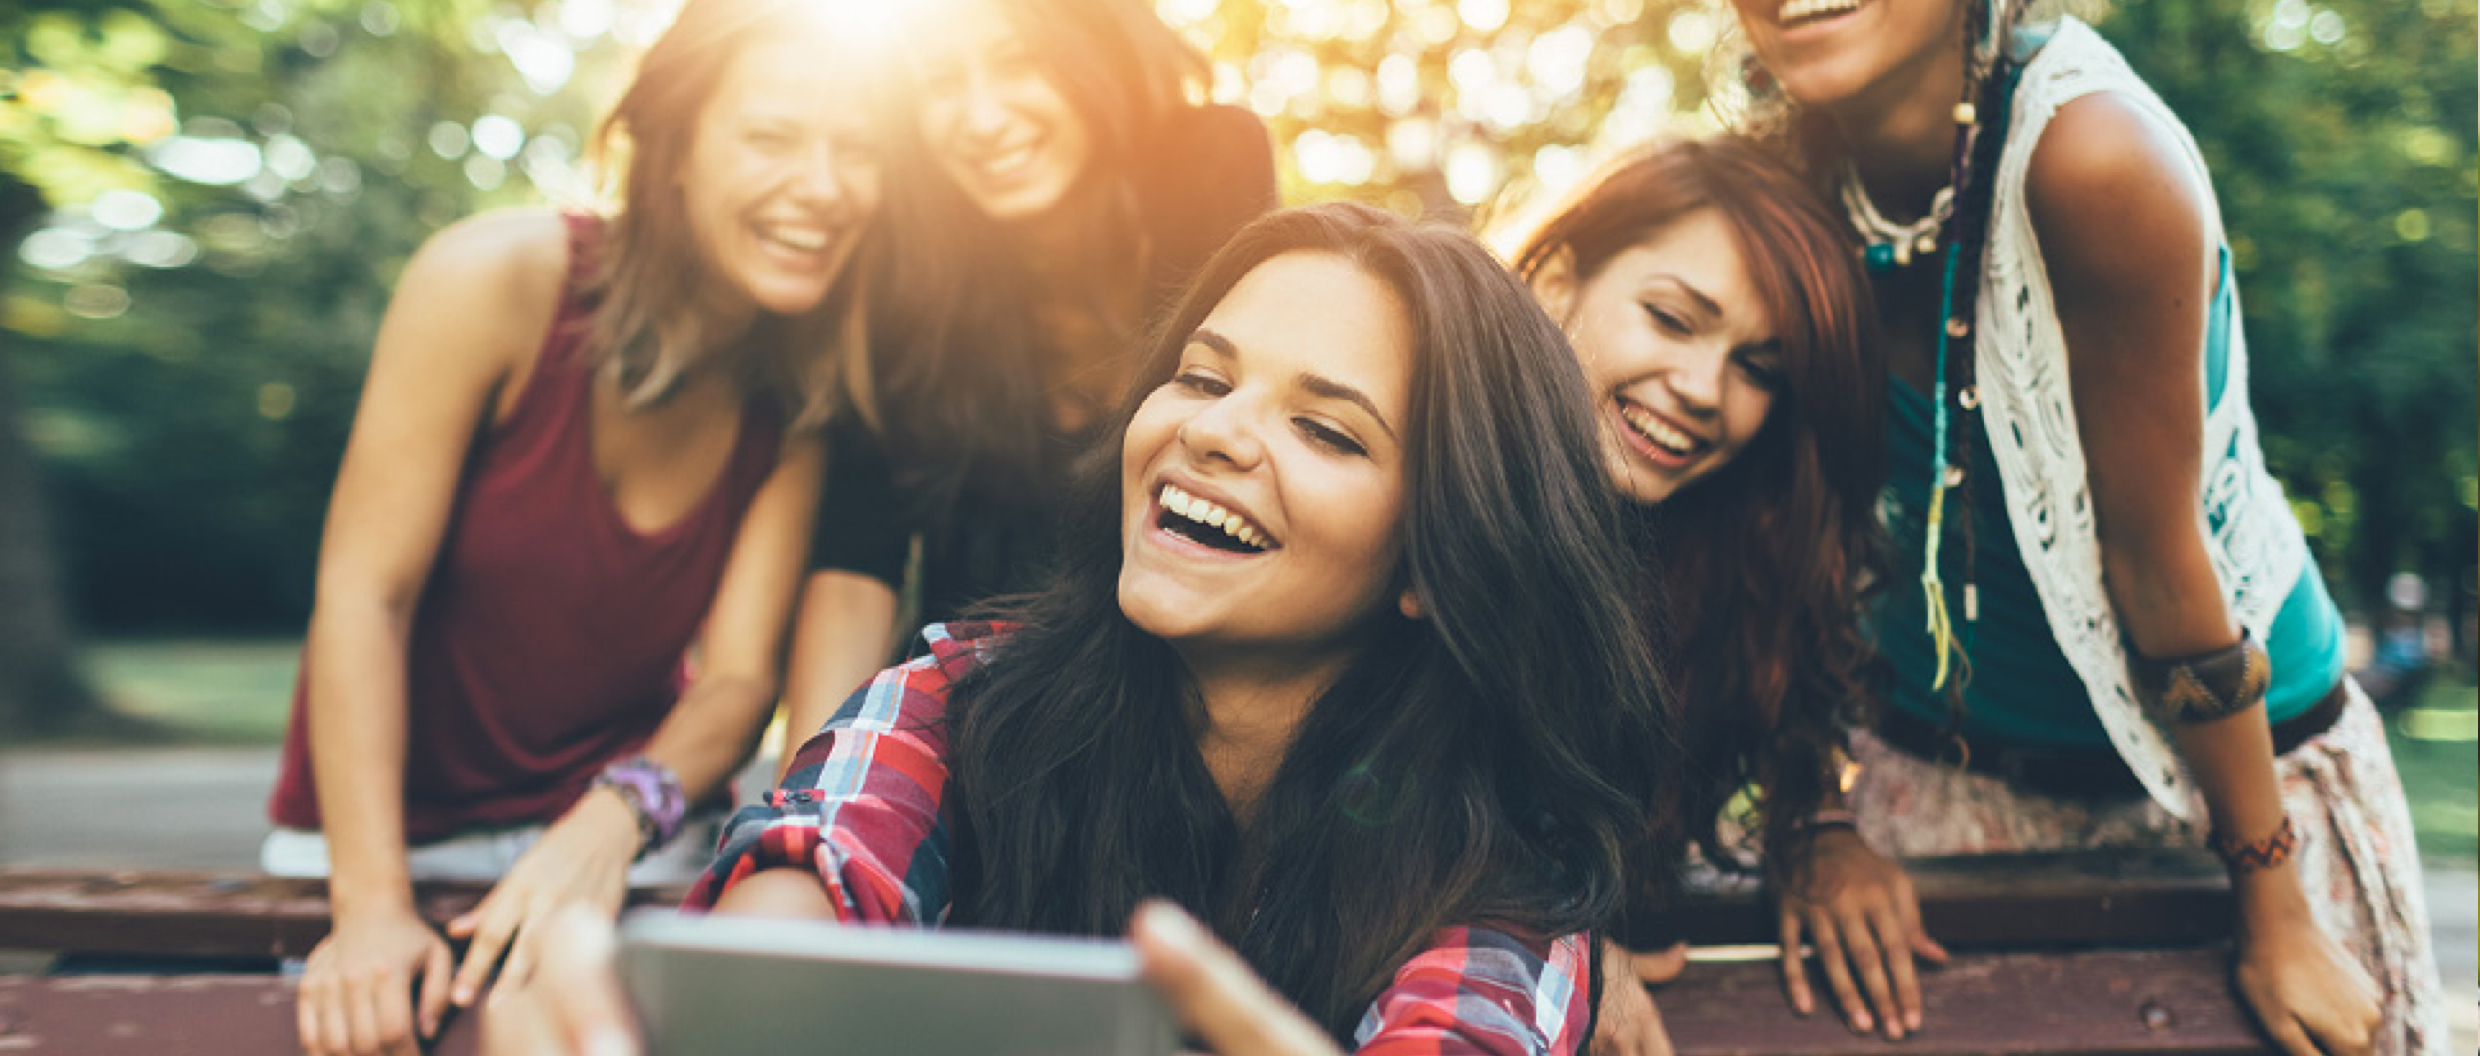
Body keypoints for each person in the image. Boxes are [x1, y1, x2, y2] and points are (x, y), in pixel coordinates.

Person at [483, 202, 1679, 1056]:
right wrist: (682, 1010)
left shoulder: (1503, 881)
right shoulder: (958, 695)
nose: (1213, 433)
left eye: (1329, 431)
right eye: (1204, 379)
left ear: (1435, 557)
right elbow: (811, 885)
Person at [1719, 0, 2445, 1051]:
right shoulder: (1777, 179)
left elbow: (2151, 561)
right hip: (1931, 783)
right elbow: (1768, 552)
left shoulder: (2092, 156)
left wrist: (2271, 900)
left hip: (2230, 800)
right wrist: (1813, 816)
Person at [260, 2, 903, 1053]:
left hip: (615, 829)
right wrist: (370, 907)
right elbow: (364, 597)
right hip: (378, 842)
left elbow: (740, 679)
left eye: (858, 151)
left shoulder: (798, 397)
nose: (823, 188)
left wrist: (609, 820)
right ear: (674, 147)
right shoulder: (492, 280)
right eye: (772, 136)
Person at [781, 0, 1279, 750]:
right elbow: (855, 569)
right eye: (940, 82)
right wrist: (806, 813)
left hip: (1194, 723)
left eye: (1017, 61)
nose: (981, 118)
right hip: (978, 732)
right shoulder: (906, 270)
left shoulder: (1211, 163)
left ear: (1095, 49)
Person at [1504, 137, 1902, 1049]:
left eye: (1760, 368)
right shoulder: (1406, 480)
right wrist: (1551, 940)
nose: (1702, 390)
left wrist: (1818, 820)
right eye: (1673, 320)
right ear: (1558, 282)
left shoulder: (1707, 561)